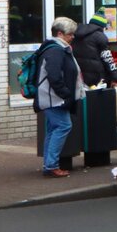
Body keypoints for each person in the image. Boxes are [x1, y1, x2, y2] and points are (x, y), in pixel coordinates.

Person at [34, 17, 84, 178]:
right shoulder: (56, 50)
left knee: (53, 129)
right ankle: (51, 165)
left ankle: (49, 164)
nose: (73, 37)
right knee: (63, 126)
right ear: (60, 33)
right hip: (53, 99)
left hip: (50, 97)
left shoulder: (54, 48)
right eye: (71, 34)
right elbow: (54, 75)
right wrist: (65, 94)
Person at [73, 8, 117, 87]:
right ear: (102, 26)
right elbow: (108, 59)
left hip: (81, 77)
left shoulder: (77, 34)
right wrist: (115, 77)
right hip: (97, 78)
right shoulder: (100, 37)